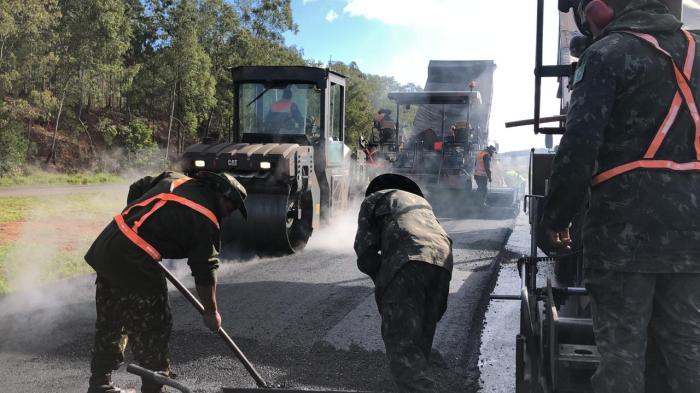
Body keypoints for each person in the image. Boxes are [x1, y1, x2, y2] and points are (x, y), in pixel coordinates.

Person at [542, 1, 700, 392]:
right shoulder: (697, 50)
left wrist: (557, 217)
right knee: (688, 354)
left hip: (623, 239)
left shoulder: (607, 53)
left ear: (597, 10)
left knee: (622, 363)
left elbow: (579, 148)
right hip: (693, 239)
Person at [84, 171, 247, 393]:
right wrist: (211, 312)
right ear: (222, 196)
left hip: (108, 244)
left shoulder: (175, 178)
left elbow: (138, 186)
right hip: (135, 260)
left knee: (111, 319)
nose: (229, 214)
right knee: (155, 325)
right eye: (232, 207)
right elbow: (205, 270)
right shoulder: (205, 218)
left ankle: (100, 384)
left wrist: (137, 228)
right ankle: (154, 388)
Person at [354, 174, 453, 393]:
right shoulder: (421, 203)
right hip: (443, 262)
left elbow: (365, 252)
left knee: (402, 348)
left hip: (408, 262)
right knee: (420, 339)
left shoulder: (373, 200)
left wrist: (383, 279)